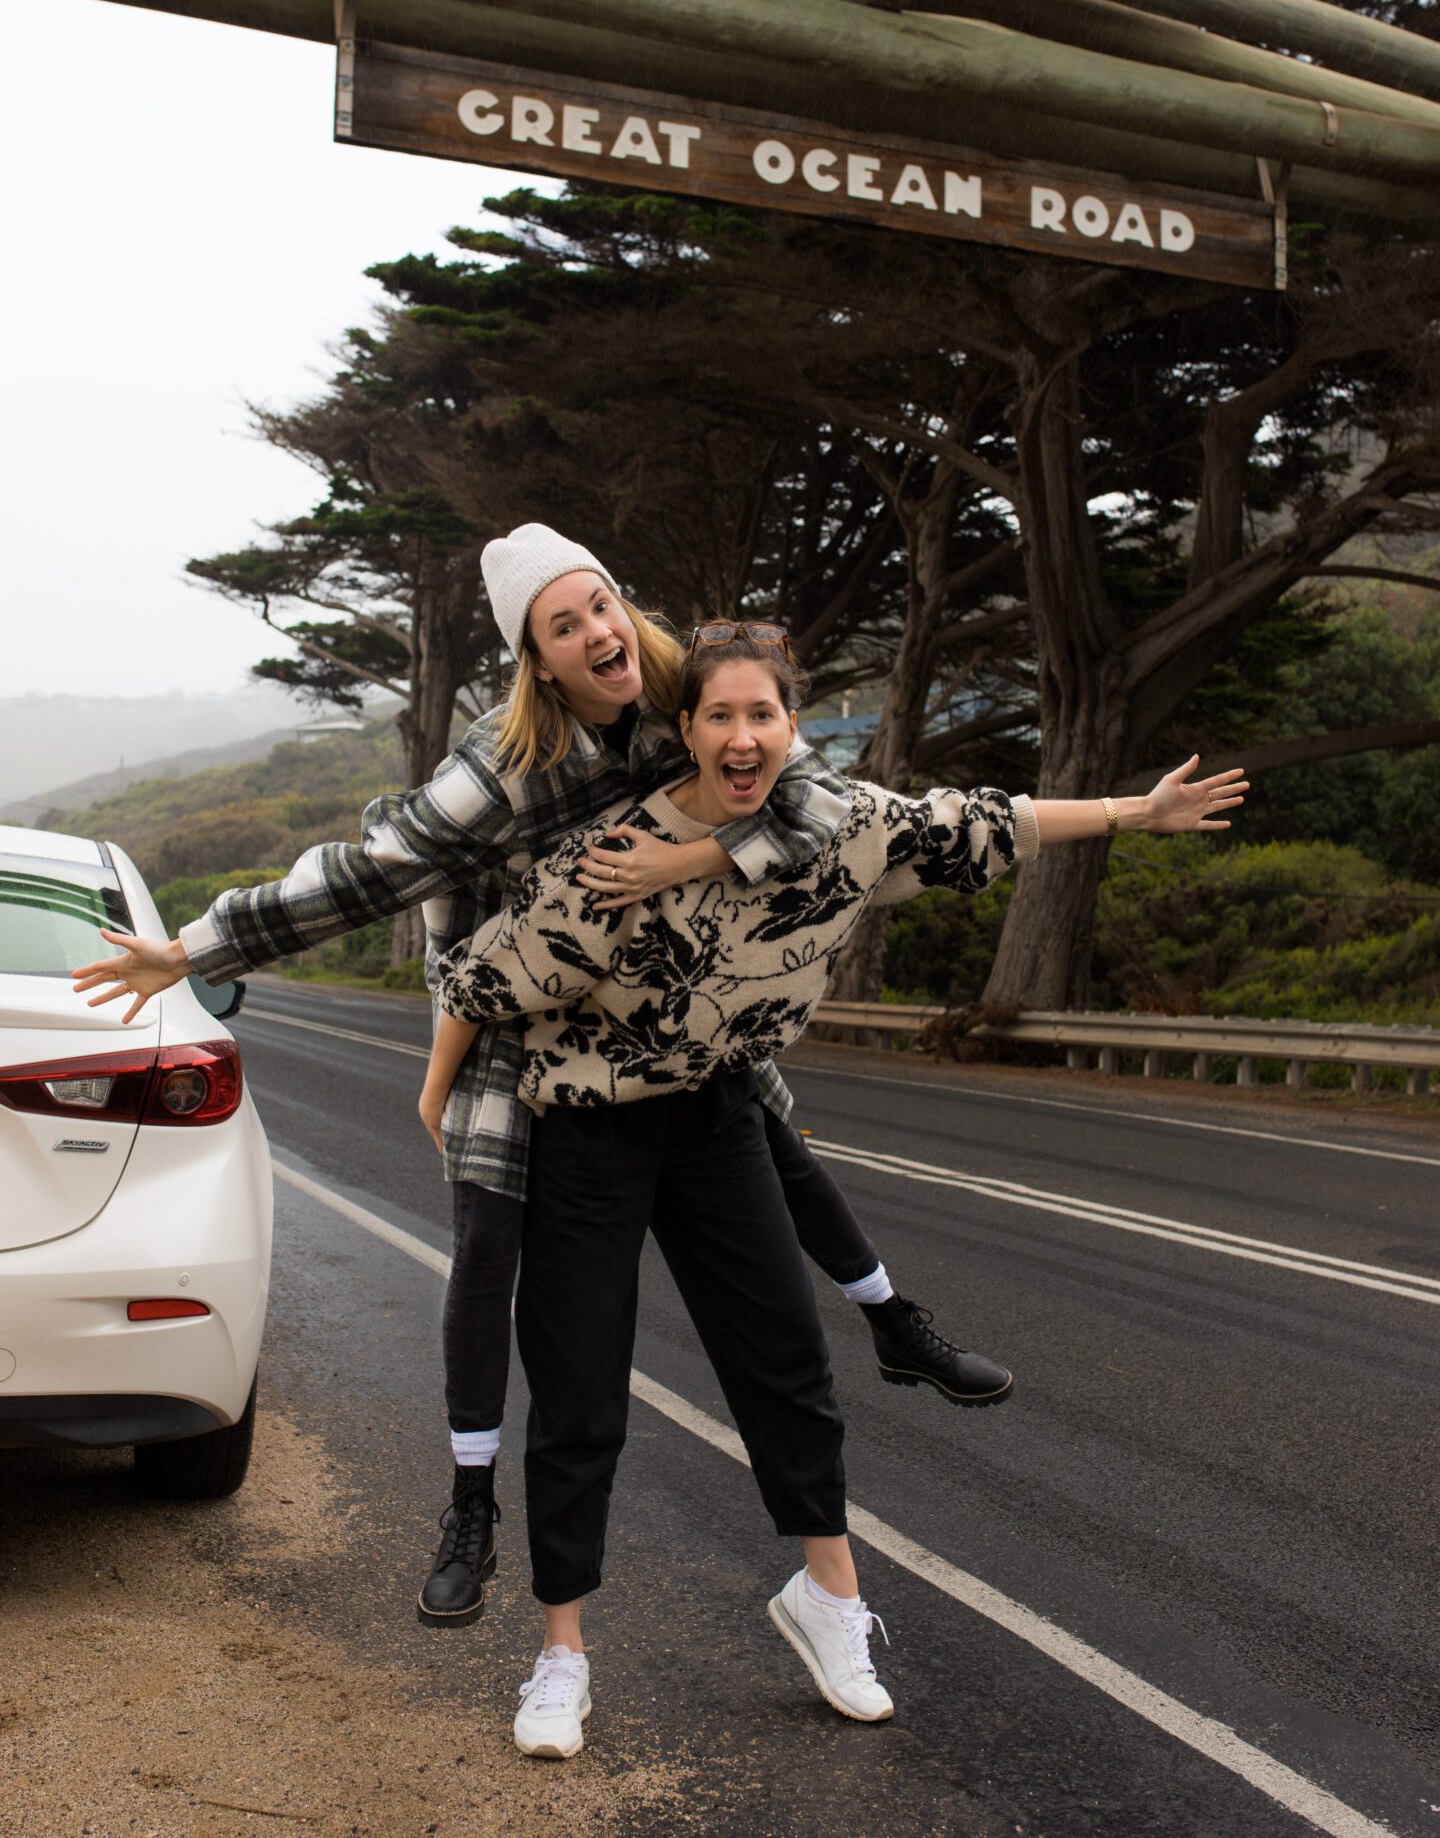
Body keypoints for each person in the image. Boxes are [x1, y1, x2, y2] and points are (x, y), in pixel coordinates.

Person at [70, 526, 1007, 1641]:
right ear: (539, 658)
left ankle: (892, 1322)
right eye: (564, 626)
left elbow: (817, 803)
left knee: (763, 1124)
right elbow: (368, 874)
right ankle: (469, 1510)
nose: (597, 631)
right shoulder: (504, 768)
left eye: (601, 603)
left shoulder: (687, 705)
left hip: (667, 1005)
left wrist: (695, 859)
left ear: (623, 604)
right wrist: (195, 946)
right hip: (514, 1023)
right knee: (487, 1251)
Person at [421, 622, 1247, 1756]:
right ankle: (561, 1655)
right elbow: (489, 971)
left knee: (787, 1369)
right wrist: (437, 1093)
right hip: (590, 1132)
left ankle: (831, 1601)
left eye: (763, 714)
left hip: (713, 1118)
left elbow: (987, 823)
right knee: (578, 1397)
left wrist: (1131, 813)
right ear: (689, 731)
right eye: (719, 716)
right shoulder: (619, 849)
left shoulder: (846, 826)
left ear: (792, 727)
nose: (743, 735)